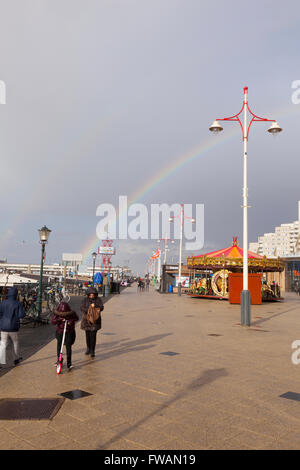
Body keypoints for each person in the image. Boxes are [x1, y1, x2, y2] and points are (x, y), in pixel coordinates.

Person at [0, 286, 25, 366]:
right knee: (15, 343)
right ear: (16, 295)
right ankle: (15, 360)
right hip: (13, 327)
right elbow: (21, 315)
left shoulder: (3, 303)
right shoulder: (18, 303)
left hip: (3, 327)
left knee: (3, 344)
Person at [51, 301, 79, 370]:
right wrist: (59, 320)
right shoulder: (57, 314)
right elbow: (53, 322)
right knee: (59, 346)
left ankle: (69, 363)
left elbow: (76, 318)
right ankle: (59, 360)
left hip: (69, 332)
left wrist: (70, 321)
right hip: (60, 331)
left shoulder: (71, 313)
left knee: (68, 347)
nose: (63, 315)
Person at [80, 287, 104, 358]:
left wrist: (95, 306)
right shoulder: (85, 300)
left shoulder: (98, 300)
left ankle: (92, 350)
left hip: (95, 321)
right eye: (90, 294)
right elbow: (81, 307)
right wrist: (89, 309)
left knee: (93, 336)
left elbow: (102, 307)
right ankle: (88, 348)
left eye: (93, 294)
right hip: (86, 320)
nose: (91, 296)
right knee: (87, 336)